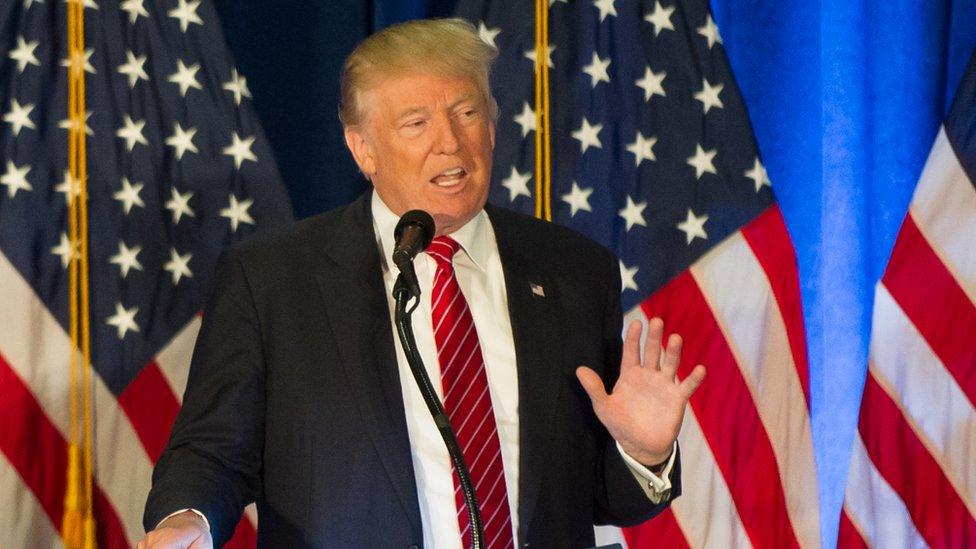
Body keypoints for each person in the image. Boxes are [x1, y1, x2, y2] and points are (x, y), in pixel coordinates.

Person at [139, 18, 705, 549]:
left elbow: (595, 498)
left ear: (493, 121)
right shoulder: (272, 281)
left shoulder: (574, 272)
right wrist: (187, 520)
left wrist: (642, 452)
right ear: (362, 148)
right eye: (416, 123)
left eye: (466, 113)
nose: (450, 144)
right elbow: (212, 451)